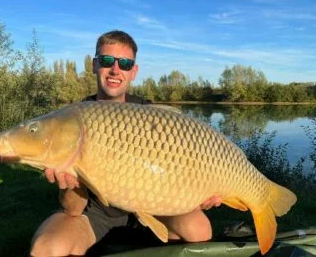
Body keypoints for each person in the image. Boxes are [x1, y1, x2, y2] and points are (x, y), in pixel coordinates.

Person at [30, 30, 222, 257]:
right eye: (107, 60)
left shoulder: (151, 115)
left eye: (125, 63)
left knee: (199, 229)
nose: (115, 70)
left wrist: (201, 192)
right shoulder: (72, 120)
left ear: (134, 72)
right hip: (96, 213)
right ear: (94, 65)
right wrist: (70, 184)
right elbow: (72, 209)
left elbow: (180, 166)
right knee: (48, 248)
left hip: (154, 204)